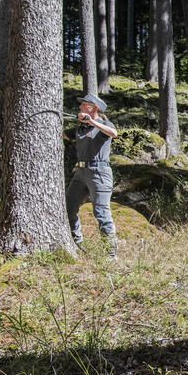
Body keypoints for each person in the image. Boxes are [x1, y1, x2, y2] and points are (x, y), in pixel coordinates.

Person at [64, 94, 119, 256]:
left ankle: (110, 253)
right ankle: (76, 243)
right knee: (68, 207)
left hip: (99, 173)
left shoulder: (103, 125)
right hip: (80, 173)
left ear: (94, 108)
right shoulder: (80, 129)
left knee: (101, 212)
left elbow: (113, 133)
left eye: (84, 105)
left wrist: (92, 121)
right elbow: (63, 134)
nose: (80, 108)